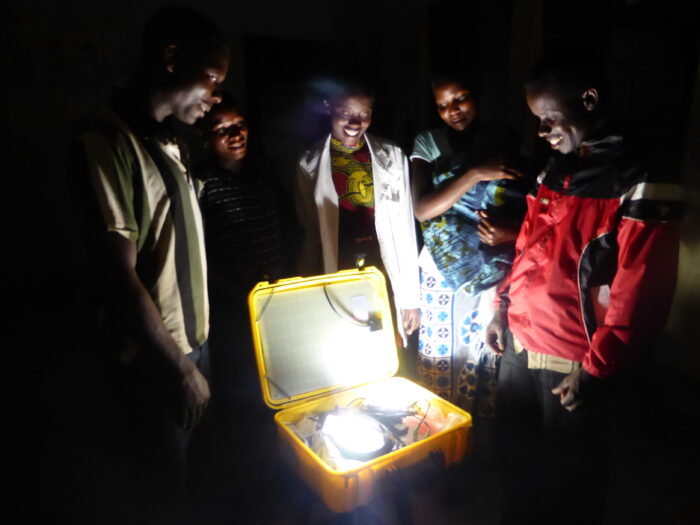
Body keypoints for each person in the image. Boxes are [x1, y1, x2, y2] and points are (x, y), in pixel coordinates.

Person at [487, 59, 684, 524]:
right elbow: (526, 249)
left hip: (575, 359)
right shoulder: (554, 173)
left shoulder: (639, 179)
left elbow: (641, 288)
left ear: (589, 101)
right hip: (521, 343)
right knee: (516, 465)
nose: (542, 131)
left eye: (549, 117)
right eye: (537, 120)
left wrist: (596, 369)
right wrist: (501, 306)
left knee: (568, 483)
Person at [73, 6, 229, 519]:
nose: (216, 96)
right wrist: (181, 370)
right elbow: (119, 276)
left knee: (192, 482)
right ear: (170, 60)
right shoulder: (108, 141)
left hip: (194, 347)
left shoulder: (169, 140)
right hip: (161, 363)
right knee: (159, 492)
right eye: (211, 79)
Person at [410, 72, 529, 417]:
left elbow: (521, 202)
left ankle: (479, 440)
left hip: (494, 266)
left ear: (478, 95)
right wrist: (476, 173)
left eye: (460, 98)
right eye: (442, 105)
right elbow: (423, 208)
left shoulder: (504, 140)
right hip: (440, 271)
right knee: (441, 357)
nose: (453, 110)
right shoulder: (429, 143)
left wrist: (510, 232)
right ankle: (437, 431)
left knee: (484, 356)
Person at [295, 75, 421, 345]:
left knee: (382, 343)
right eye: (345, 113)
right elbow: (309, 232)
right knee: (342, 343)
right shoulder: (309, 163)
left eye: (364, 114)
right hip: (336, 265)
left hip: (381, 267)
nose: (355, 123)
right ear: (329, 107)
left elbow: (405, 230)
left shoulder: (393, 155)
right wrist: (304, 288)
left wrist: (410, 298)